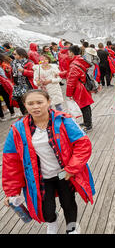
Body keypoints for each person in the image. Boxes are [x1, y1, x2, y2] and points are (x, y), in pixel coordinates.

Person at [2, 89, 95, 234]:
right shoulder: (17, 130)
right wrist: (12, 192)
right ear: (25, 106)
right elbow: (11, 162)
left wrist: (71, 169)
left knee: (68, 203)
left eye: (39, 102)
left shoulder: (64, 120)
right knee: (46, 210)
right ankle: (52, 221)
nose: (35, 107)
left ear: (48, 102)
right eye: (30, 103)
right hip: (40, 178)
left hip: (64, 174)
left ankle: (72, 228)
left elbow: (83, 145)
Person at [65, 45, 95, 132]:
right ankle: (87, 122)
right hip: (83, 86)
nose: (68, 54)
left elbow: (71, 81)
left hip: (79, 88)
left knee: (84, 107)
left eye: (69, 52)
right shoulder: (80, 61)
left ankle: (88, 125)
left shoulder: (74, 64)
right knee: (86, 106)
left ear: (72, 52)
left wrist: (68, 94)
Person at [11, 48, 36, 115]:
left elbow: (34, 73)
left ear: (21, 55)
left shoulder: (29, 62)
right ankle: (26, 118)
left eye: (15, 54)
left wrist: (23, 71)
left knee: (30, 102)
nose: (13, 55)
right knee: (21, 103)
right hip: (18, 86)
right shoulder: (13, 63)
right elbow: (13, 75)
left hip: (28, 85)